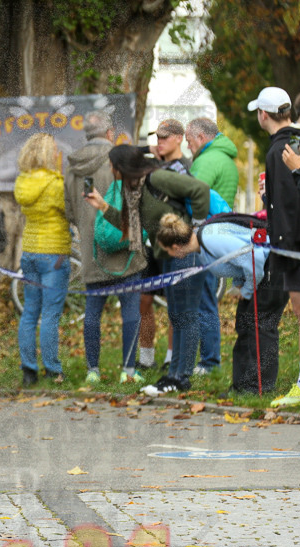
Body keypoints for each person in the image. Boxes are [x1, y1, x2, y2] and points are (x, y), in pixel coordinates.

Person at [84, 144, 211, 396]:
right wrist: (103, 206)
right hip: (166, 255)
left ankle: (182, 376)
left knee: (186, 314)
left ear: (121, 167)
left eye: (112, 165)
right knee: (176, 314)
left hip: (185, 252)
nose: (111, 170)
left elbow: (201, 190)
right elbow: (131, 227)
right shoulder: (134, 190)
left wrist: (195, 233)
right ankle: (174, 374)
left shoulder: (157, 177)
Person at [156, 213, 287, 394]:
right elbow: (237, 259)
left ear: (176, 247)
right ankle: (241, 385)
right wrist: (238, 285)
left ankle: (259, 387)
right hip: (260, 269)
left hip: (273, 265)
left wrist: (247, 290)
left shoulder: (210, 239)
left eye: (167, 250)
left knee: (259, 324)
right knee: (243, 323)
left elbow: (254, 258)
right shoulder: (201, 247)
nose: (169, 255)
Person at [64, 110, 145, 385]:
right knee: (131, 311)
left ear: (87, 133)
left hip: (91, 251)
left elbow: (70, 210)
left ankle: (92, 371)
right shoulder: (121, 159)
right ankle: (129, 371)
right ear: (110, 133)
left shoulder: (72, 166)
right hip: (125, 251)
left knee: (93, 313)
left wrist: (89, 229)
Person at [252, 86, 300, 406]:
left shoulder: (281, 148)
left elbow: (287, 203)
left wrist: (282, 246)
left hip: (299, 244)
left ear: (263, 114)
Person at [14, 132, 70, 386]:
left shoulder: (22, 182)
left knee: (29, 313)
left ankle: (28, 369)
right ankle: (52, 367)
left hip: (29, 252)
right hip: (54, 252)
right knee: (49, 315)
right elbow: (69, 211)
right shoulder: (55, 184)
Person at [187, 117, 239, 375]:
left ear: (200, 137)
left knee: (202, 300)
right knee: (206, 299)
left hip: (203, 237)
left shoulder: (206, 161)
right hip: (219, 233)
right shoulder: (226, 158)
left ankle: (208, 361)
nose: (188, 147)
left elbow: (190, 195)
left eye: (188, 141)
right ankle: (209, 358)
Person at [136, 119, 186, 373]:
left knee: (174, 305)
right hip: (150, 245)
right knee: (144, 300)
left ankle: (171, 358)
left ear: (179, 138)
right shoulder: (153, 164)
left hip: (174, 246)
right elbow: (122, 153)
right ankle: (146, 358)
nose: (160, 141)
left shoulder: (186, 167)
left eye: (166, 137)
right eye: (158, 137)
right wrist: (148, 149)